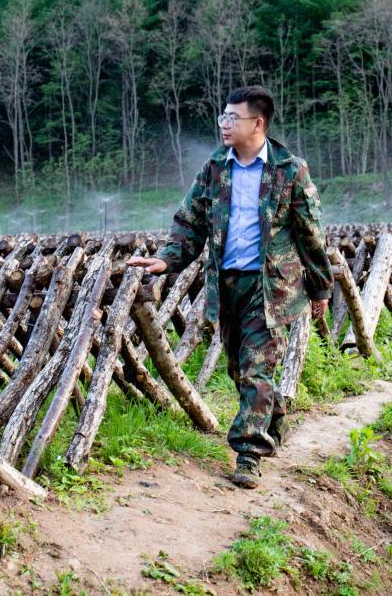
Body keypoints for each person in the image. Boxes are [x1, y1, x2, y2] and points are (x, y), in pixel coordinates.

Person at [127, 85, 333, 488]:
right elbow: (190, 222)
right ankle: (272, 417)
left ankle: (248, 454)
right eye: (223, 117)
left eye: (232, 118)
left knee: (257, 366)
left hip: (270, 289)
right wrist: (167, 259)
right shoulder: (215, 168)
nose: (224, 124)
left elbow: (311, 232)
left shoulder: (289, 170)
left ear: (257, 123)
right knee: (240, 369)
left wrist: (321, 287)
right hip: (227, 286)